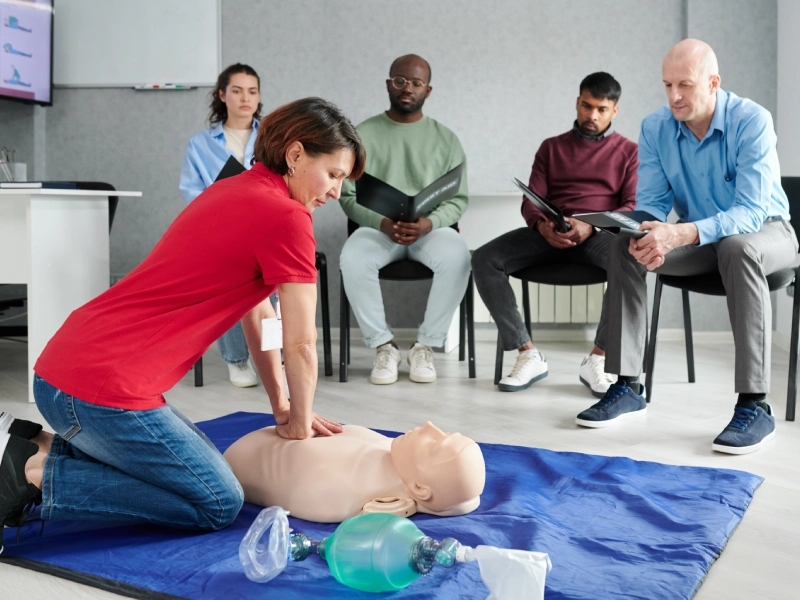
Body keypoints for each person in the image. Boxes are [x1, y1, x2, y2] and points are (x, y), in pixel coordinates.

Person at [0, 98, 366, 552]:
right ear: (295, 155)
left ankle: (34, 442)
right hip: (103, 392)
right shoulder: (289, 217)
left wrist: (284, 405)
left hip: (63, 373)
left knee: (196, 471)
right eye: (333, 174)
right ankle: (31, 475)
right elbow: (302, 341)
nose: (335, 192)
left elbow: (259, 314)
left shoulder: (233, 188)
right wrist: (300, 423)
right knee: (217, 500)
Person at [576, 40, 798, 456]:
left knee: (737, 247)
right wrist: (638, 229)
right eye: (667, 85)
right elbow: (653, 205)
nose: (674, 96)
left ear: (713, 83)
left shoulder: (751, 120)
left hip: (768, 234)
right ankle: (627, 386)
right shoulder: (656, 127)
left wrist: (678, 235)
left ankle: (755, 405)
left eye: (685, 85)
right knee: (626, 246)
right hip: (703, 239)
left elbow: (750, 213)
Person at [472, 73, 638, 396]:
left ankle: (599, 358)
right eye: (587, 106)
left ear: (614, 111)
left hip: (598, 233)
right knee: (484, 258)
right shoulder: (551, 148)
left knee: (630, 261)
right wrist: (541, 226)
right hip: (550, 231)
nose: (592, 116)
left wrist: (591, 225)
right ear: (577, 102)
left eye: (601, 109)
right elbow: (531, 199)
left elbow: (631, 206)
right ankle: (527, 352)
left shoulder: (629, 152)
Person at [339, 54, 471, 385]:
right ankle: (383, 346)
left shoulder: (447, 140)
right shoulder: (362, 135)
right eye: (400, 81)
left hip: (430, 231)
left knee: (458, 256)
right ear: (388, 84)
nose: (406, 88)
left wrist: (430, 223)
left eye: (415, 83)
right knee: (352, 258)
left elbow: (459, 199)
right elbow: (346, 195)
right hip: (378, 228)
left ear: (428, 90)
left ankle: (425, 346)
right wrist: (382, 223)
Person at [180, 63, 264, 388]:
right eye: (238, 90)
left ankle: (272, 352)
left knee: (274, 265)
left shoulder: (274, 136)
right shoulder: (200, 144)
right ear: (222, 95)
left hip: (265, 228)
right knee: (229, 270)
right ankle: (237, 360)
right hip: (220, 232)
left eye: (252, 91)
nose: (246, 98)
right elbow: (193, 194)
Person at [224, 421, 486, 523]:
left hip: (239, 463)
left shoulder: (342, 494)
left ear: (419, 489)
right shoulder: (396, 454)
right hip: (253, 447)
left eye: (434, 444)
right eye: (445, 431)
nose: (430, 426)